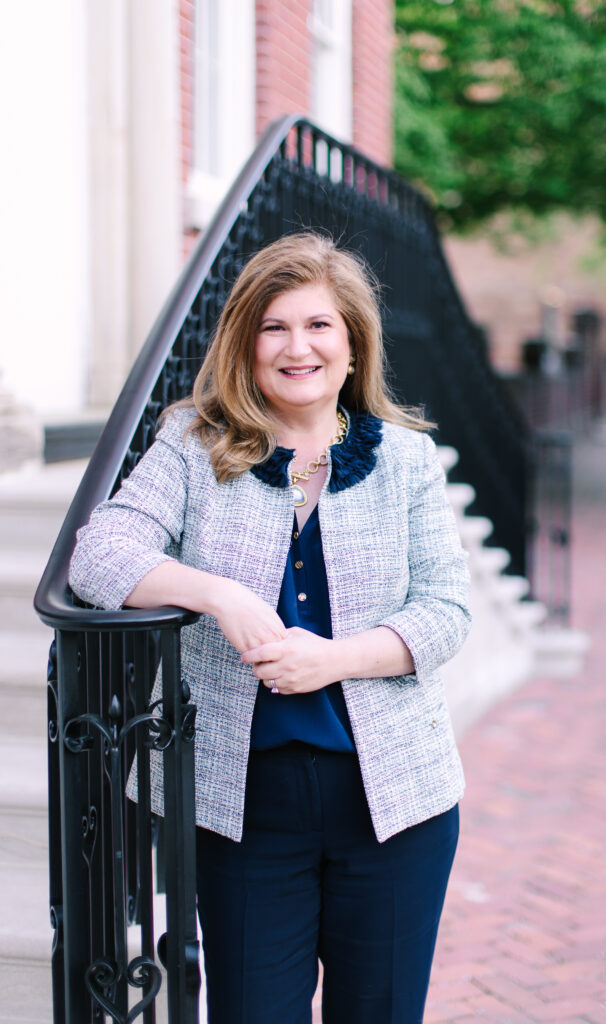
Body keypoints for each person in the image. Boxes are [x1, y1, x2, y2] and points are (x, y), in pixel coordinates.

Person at [69, 232, 471, 1024]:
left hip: (394, 799)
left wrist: (336, 659)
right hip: (243, 803)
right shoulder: (193, 445)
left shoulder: (406, 461)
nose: (298, 347)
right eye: (274, 327)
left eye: (319, 326)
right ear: (245, 344)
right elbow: (99, 554)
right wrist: (218, 593)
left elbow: (446, 610)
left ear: (353, 346)